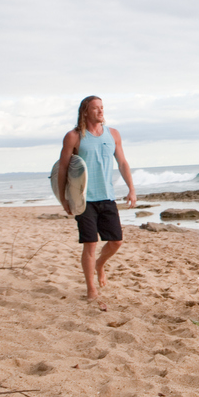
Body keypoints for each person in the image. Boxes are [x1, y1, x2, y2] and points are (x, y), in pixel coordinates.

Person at [57, 95, 136, 307]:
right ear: (85, 112)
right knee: (90, 244)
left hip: (107, 196)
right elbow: (63, 167)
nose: (101, 111)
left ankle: (100, 264)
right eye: (96, 108)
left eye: (102, 107)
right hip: (84, 199)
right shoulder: (74, 136)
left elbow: (122, 162)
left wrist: (131, 189)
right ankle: (91, 288)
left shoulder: (113, 134)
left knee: (116, 241)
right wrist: (64, 197)